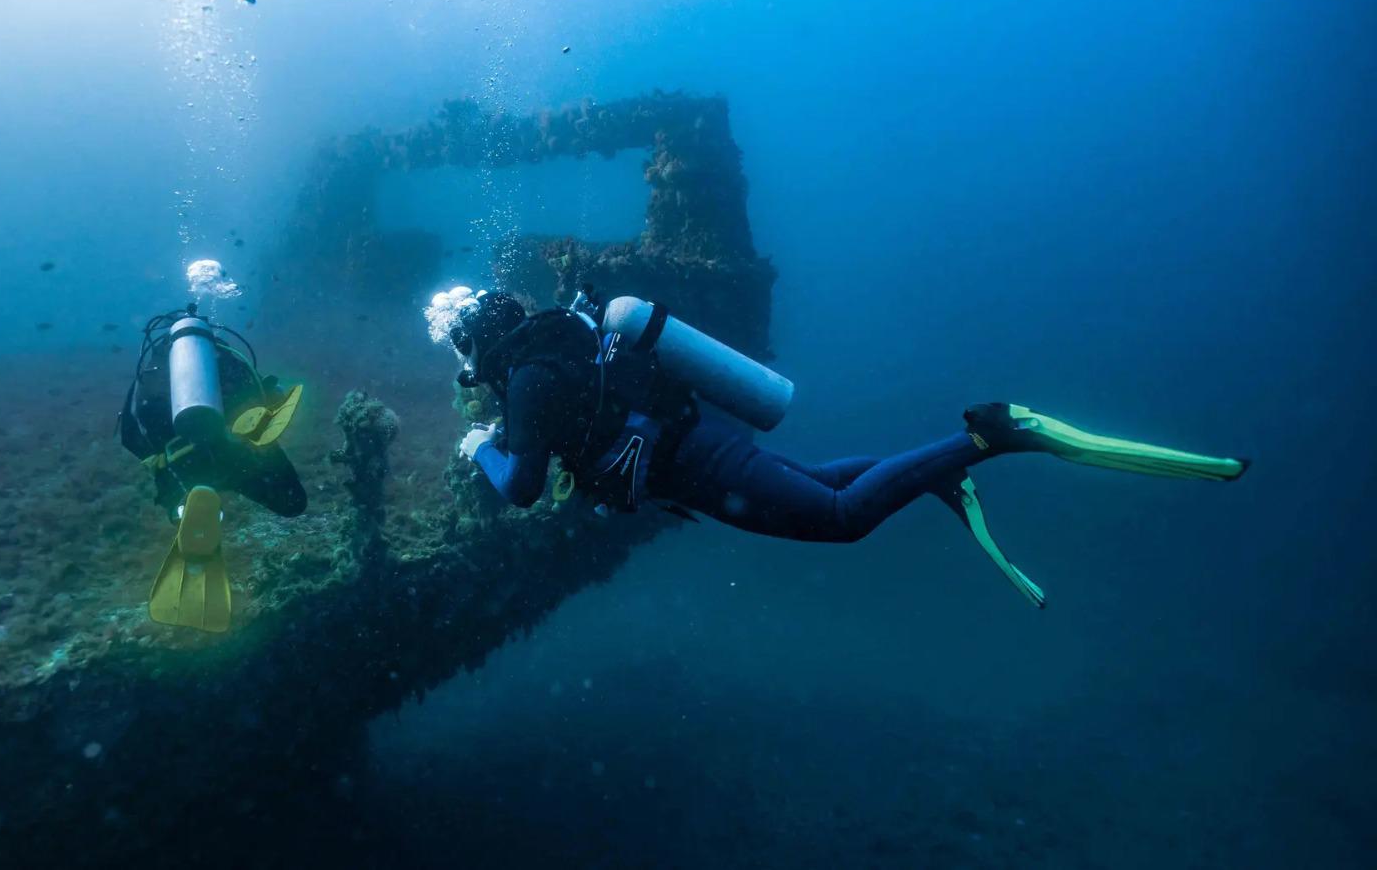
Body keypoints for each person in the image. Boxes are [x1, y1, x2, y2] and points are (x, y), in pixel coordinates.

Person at [431, 288, 1248, 607]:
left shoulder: (528, 382)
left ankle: (989, 438)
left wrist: (480, 449)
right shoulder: (563, 337)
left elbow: (525, 488)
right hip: (703, 446)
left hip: (699, 466)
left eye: (463, 359)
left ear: (478, 347)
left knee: (839, 518)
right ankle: (940, 476)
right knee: (820, 482)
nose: (468, 375)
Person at [116, 305, 307, 630]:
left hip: (181, 467)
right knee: (293, 502)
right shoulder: (226, 358)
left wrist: (160, 465)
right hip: (237, 458)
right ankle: (203, 494)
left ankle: (182, 507)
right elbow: (263, 398)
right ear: (209, 333)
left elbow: (130, 434)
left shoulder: (149, 373)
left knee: (176, 483)